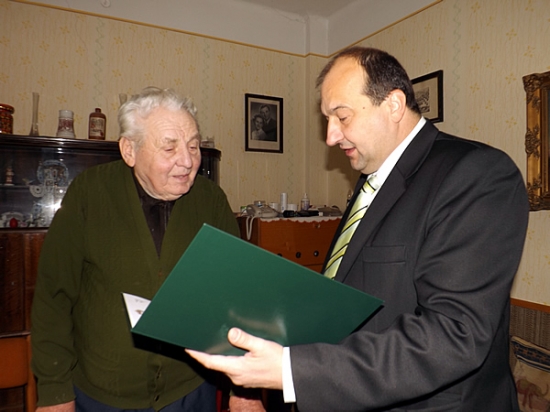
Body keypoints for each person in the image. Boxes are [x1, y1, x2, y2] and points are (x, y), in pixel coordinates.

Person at [187, 47, 529, 411]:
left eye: (342, 116)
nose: (331, 136)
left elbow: (453, 335)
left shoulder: (477, 174)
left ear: (394, 105)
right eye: (327, 119)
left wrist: (292, 371)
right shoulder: (371, 182)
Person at [31, 87, 262, 411]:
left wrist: (244, 391)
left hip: (191, 390)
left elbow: (234, 297)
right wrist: (55, 393)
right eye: (169, 147)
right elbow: (53, 298)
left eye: (193, 146)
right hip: (103, 395)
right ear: (130, 150)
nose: (188, 161)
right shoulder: (89, 194)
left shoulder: (211, 200)